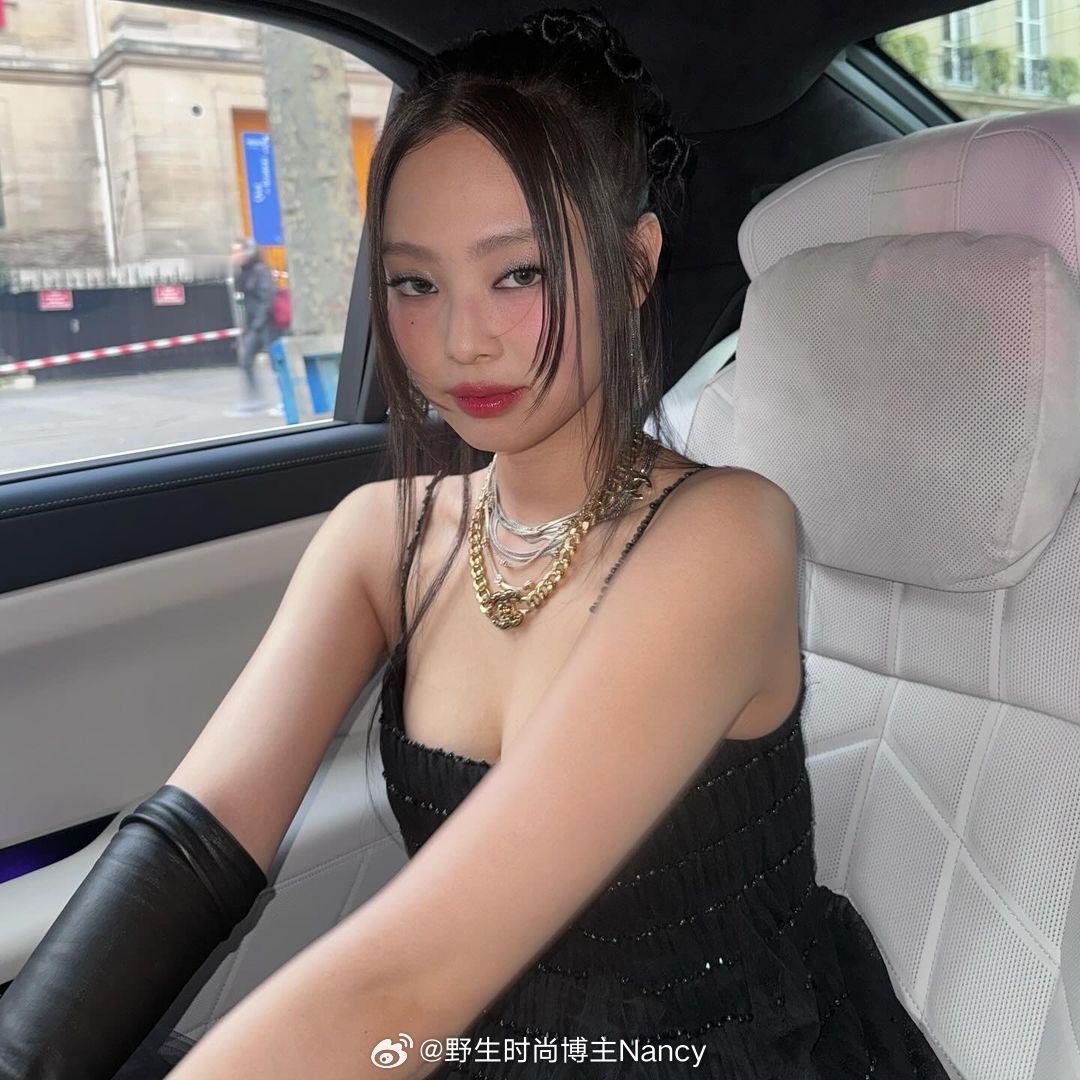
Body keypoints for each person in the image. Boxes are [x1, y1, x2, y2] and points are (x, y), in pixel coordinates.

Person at [0, 7, 953, 1079]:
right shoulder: (380, 539)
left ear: (636, 263)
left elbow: (403, 984)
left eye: (520, 274)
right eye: (416, 283)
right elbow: (193, 843)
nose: (461, 341)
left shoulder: (723, 538)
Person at [225, 236, 282, 417]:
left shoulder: (260, 270)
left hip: (268, 324)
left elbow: (268, 298)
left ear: (248, 252)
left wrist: (258, 323)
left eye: (238, 251)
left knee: (277, 363)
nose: (235, 255)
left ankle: (286, 400)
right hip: (255, 325)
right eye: (233, 252)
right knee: (246, 361)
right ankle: (255, 400)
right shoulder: (244, 272)